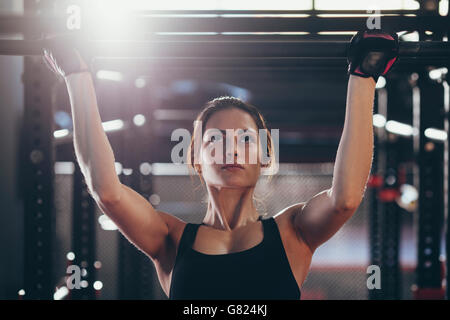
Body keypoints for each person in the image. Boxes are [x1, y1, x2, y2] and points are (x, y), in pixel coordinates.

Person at [42, 29, 398, 299]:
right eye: (215, 140)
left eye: (245, 139)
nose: (231, 150)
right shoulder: (170, 238)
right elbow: (107, 191)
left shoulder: (294, 231)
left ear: (264, 155)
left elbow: (346, 198)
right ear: (196, 158)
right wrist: (77, 75)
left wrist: (363, 77)